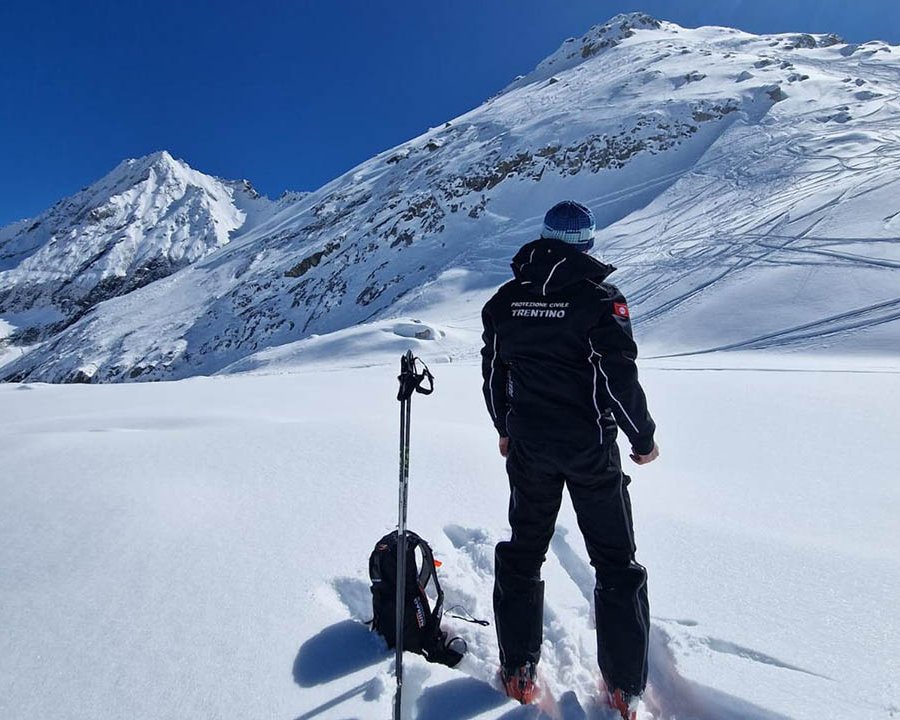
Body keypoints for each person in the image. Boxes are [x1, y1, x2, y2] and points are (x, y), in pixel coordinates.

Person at [480, 200, 659, 720]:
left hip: (531, 447)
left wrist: (504, 429)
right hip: (589, 449)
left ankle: (517, 668)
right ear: (587, 244)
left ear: (543, 239)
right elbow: (617, 376)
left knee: (524, 549)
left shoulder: (506, 301)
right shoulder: (599, 300)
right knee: (615, 560)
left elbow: (495, 374)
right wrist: (642, 438)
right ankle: (624, 688)